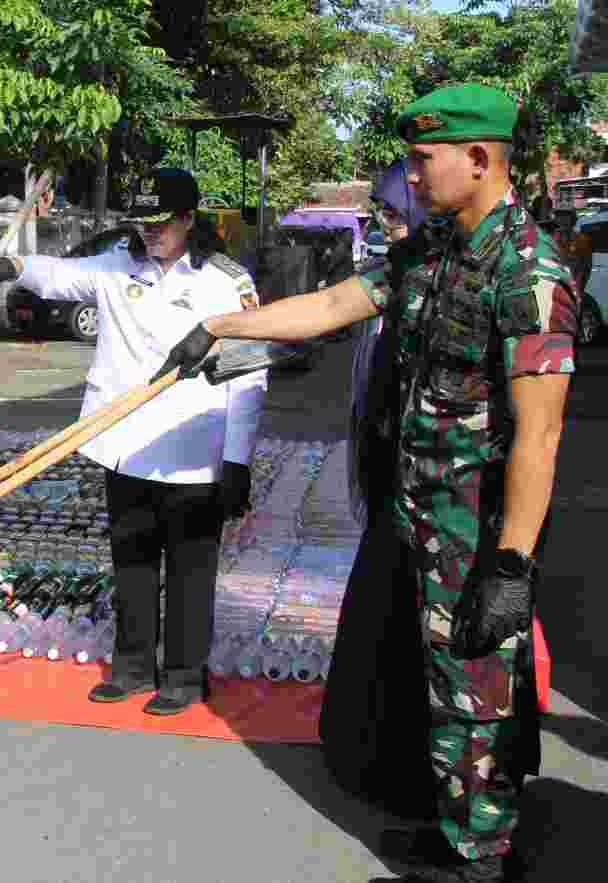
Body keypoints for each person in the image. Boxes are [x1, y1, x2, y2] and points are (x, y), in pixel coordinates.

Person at [153, 83, 571, 883]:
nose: (410, 178)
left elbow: (541, 431)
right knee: (435, 690)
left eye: (422, 161)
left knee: (477, 695)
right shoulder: (435, 248)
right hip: (415, 515)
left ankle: (482, 859)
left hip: (478, 533)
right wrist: (221, 326)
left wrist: (512, 563)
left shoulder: (530, 271)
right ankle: (456, 834)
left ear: (480, 161)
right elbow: (338, 302)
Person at [0, 167, 268, 716]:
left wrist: (237, 460)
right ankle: (131, 667)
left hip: (193, 450)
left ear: (188, 219)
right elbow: (60, 275)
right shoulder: (116, 265)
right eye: (142, 223)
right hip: (125, 445)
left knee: (189, 569)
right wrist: (9, 266)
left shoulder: (227, 282)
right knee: (131, 561)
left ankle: (183, 676)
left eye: (160, 224)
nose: (149, 233)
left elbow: (250, 374)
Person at [320, 158, 436, 821]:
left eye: (394, 214)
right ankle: (373, 760)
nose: (386, 227)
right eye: (382, 215)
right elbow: (327, 309)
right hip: (394, 485)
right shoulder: (392, 277)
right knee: (379, 625)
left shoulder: (470, 276)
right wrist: (226, 332)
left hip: (443, 504)